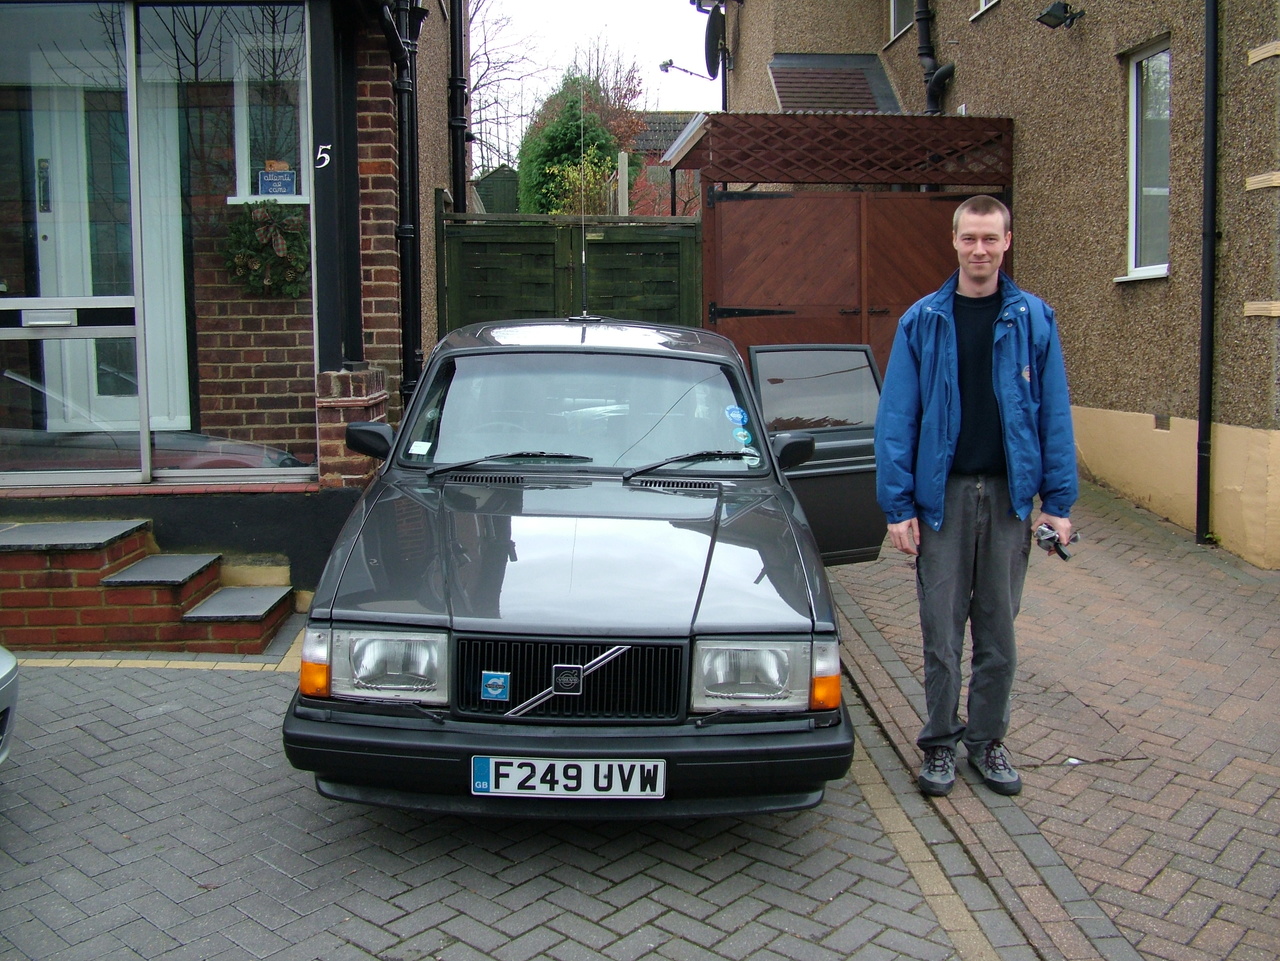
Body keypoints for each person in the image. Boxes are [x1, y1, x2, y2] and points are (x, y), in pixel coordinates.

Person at [873, 194, 1077, 798]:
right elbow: (897, 419)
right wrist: (898, 506)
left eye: (991, 239)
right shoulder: (923, 321)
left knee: (998, 633)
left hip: (1011, 502)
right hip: (942, 501)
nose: (980, 250)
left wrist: (1059, 504)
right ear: (954, 240)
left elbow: (1054, 417)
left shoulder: (1035, 320)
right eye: (970, 239)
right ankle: (939, 744)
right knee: (941, 630)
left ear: (1007, 241)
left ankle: (987, 741)